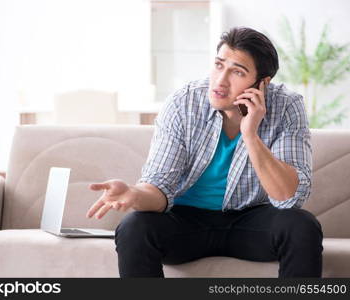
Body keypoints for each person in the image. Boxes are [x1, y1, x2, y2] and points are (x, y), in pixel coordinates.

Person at [86, 27, 323, 278]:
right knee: (135, 227)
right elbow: (159, 186)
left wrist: (250, 134)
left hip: (251, 221)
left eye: (237, 72)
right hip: (185, 221)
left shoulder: (287, 106)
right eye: (219, 65)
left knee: (302, 226)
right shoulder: (184, 102)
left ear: (262, 83)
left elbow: (288, 198)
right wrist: (134, 194)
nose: (221, 81)